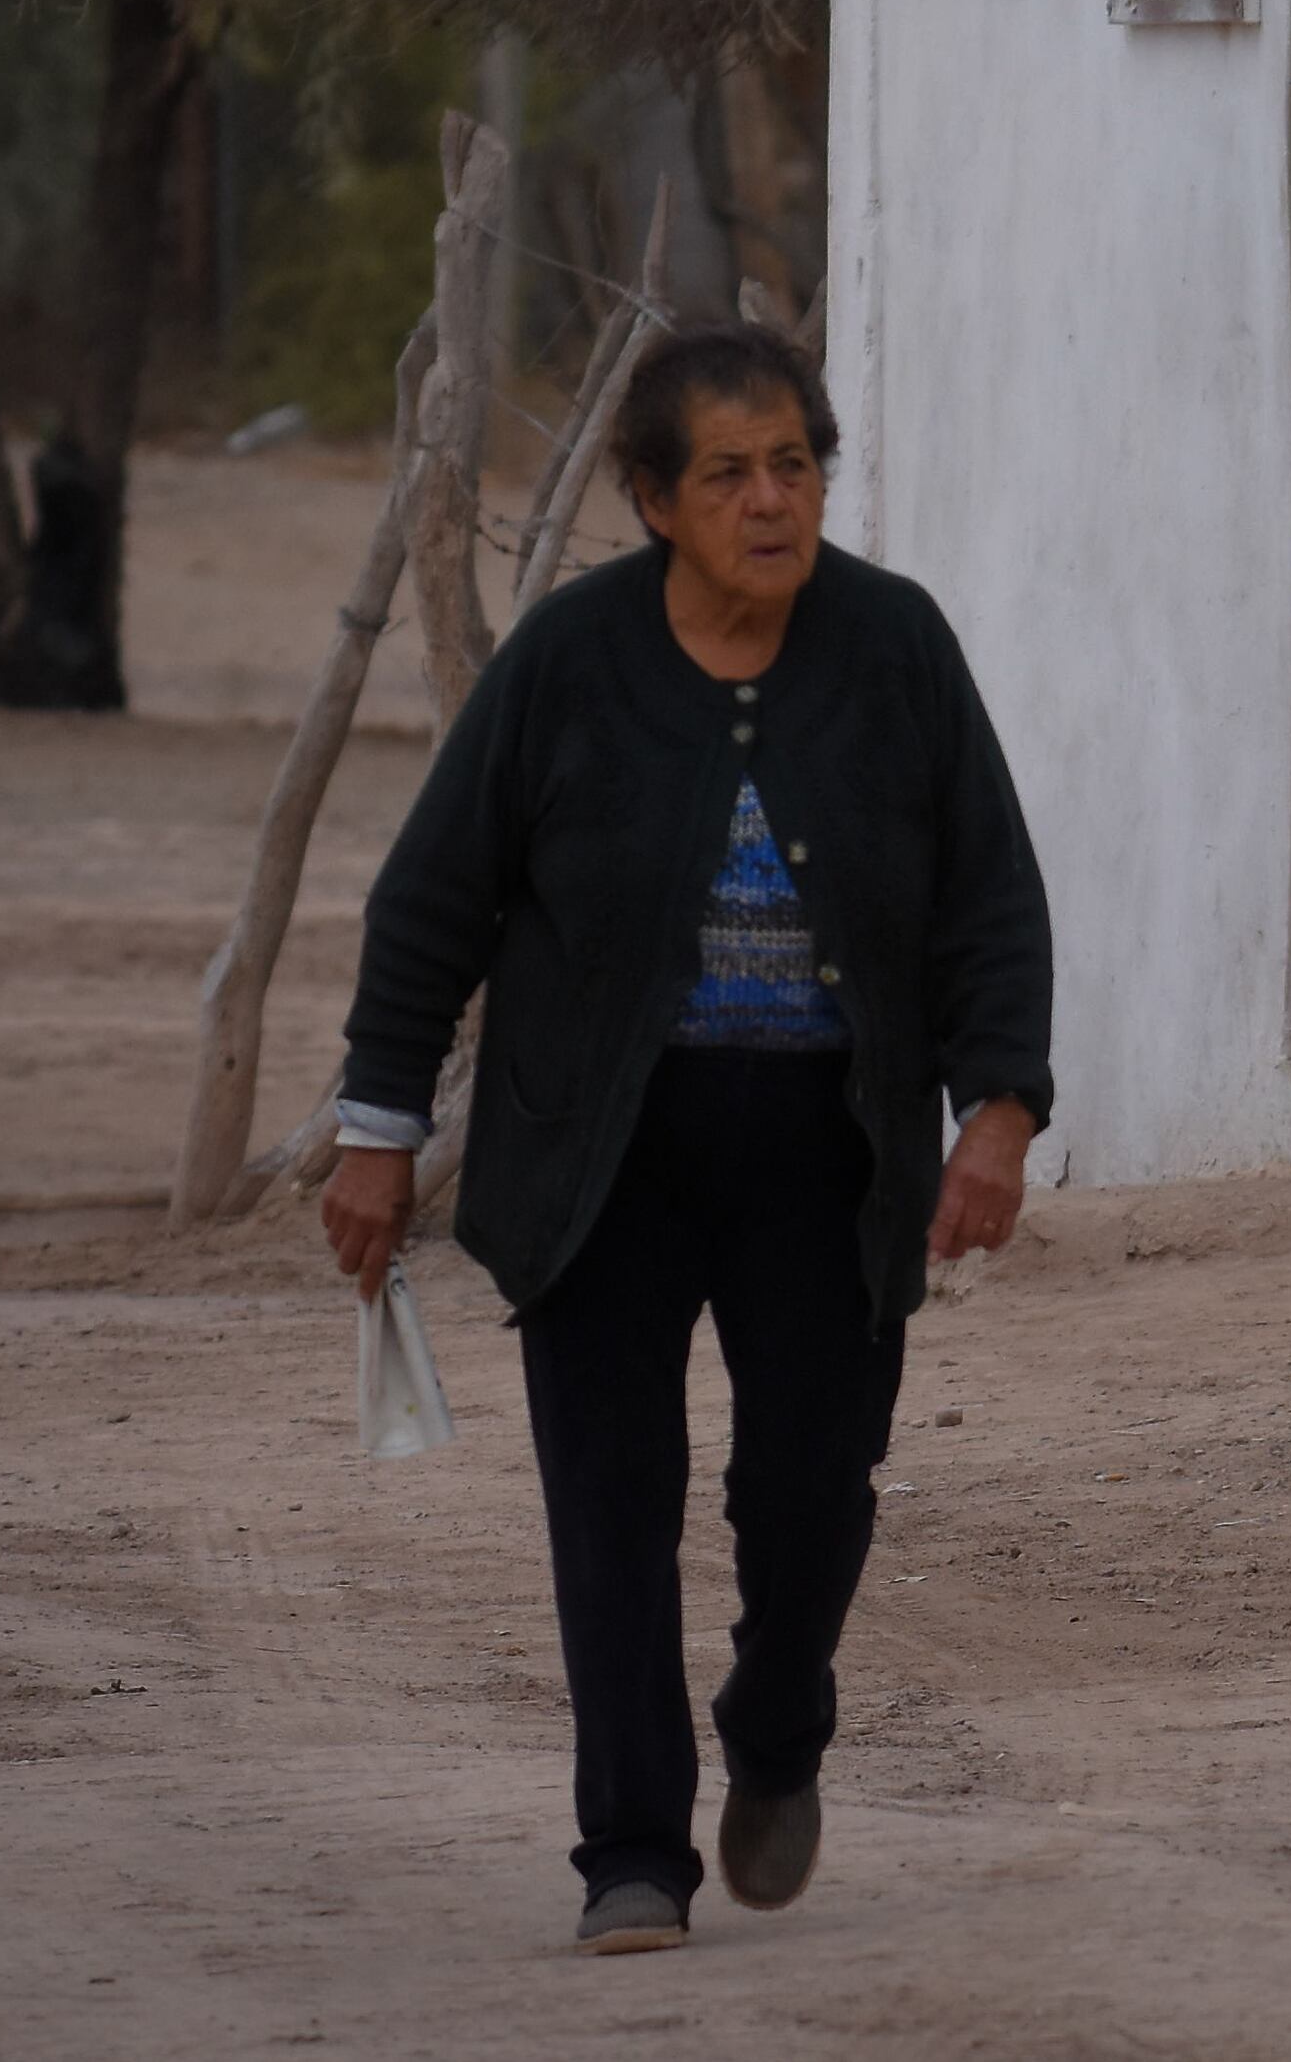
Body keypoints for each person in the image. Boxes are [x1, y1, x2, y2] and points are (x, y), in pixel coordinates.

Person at [320, 320, 1050, 1957]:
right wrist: (378, 1130)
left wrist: (997, 1109)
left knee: (811, 1494)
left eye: (794, 463)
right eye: (728, 472)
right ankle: (633, 1851)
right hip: (602, 1150)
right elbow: (432, 900)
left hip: (830, 1145)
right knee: (610, 1496)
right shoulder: (571, 661)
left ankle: (779, 1724)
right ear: (653, 498)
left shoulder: (895, 646)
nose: (772, 499)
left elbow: (990, 895)